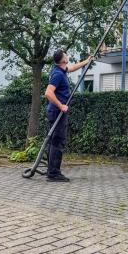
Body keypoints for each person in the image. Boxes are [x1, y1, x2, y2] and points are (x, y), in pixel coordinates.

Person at [44, 49, 93, 182]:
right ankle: (54, 173)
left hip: (56, 111)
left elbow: (72, 68)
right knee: (58, 141)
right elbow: (48, 93)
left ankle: (51, 170)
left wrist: (86, 61)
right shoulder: (58, 74)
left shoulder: (61, 70)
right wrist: (61, 105)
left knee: (54, 141)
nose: (68, 56)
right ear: (63, 60)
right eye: (66, 55)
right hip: (57, 112)